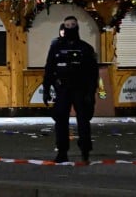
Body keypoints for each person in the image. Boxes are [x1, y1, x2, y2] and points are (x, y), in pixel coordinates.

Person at [42, 15, 98, 164]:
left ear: (77, 27)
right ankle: (62, 152)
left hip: (81, 89)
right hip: (62, 89)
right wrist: (46, 88)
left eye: (73, 25)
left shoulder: (85, 48)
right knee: (60, 121)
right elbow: (49, 68)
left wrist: (91, 93)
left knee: (83, 121)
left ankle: (85, 151)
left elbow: (93, 73)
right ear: (63, 27)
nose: (70, 28)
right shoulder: (56, 47)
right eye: (67, 25)